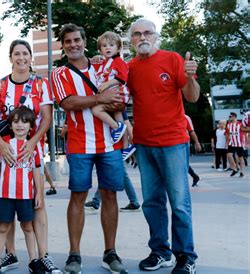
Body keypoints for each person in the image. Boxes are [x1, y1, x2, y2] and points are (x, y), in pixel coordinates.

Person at [51, 23, 128, 274]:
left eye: (77, 40)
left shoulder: (101, 65)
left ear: (84, 41)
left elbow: (119, 91)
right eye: (68, 41)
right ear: (62, 45)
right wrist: (100, 99)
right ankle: (74, 255)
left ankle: (110, 252)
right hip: (80, 143)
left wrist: (123, 118)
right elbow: (69, 102)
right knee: (78, 196)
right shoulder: (60, 73)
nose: (73, 44)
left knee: (110, 195)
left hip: (110, 143)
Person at [127, 18, 200, 274]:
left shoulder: (173, 59)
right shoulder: (130, 68)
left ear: (156, 35)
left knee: (179, 202)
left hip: (173, 143)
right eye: (137, 34)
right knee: (152, 202)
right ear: (131, 40)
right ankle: (160, 252)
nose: (142, 37)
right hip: (144, 145)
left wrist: (190, 77)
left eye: (147, 32)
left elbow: (192, 96)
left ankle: (186, 256)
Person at [0, 39, 59, 273]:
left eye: (25, 53)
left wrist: (34, 143)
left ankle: (42, 255)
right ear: (10, 58)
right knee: (8, 198)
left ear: (30, 57)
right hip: (6, 149)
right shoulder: (0, 85)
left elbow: (46, 117)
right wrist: (0, 145)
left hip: (32, 150)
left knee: (36, 202)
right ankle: (10, 255)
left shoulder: (40, 84)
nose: (21, 58)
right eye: (17, 54)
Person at [0, 106, 43, 274]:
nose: (20, 125)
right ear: (10, 125)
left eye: (24, 122)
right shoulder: (4, 143)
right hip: (5, 194)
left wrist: (38, 192)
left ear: (31, 126)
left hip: (25, 195)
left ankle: (33, 261)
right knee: (3, 227)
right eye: (15, 121)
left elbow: (36, 170)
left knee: (28, 227)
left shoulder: (33, 146)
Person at [91, 31, 130, 146]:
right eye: (104, 46)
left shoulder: (118, 62)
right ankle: (126, 145)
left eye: (111, 45)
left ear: (118, 49)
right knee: (118, 115)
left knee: (96, 110)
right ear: (100, 49)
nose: (108, 48)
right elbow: (92, 66)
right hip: (113, 95)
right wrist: (95, 59)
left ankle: (116, 127)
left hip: (118, 94)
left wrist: (106, 84)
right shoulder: (105, 63)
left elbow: (123, 78)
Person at [226, 112, 245, 178]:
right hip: (231, 143)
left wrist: (246, 142)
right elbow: (227, 134)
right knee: (229, 155)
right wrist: (227, 142)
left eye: (230, 116)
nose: (229, 117)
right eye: (229, 116)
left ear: (234, 117)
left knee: (240, 158)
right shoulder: (228, 125)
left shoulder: (240, 124)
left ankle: (242, 172)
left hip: (239, 143)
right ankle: (234, 169)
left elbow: (245, 133)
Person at [185, 115, 201, 187]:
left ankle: (194, 177)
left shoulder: (185, 117)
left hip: (183, 143)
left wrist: (197, 143)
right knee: (182, 163)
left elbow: (191, 131)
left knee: (183, 162)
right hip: (170, 142)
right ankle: (195, 176)